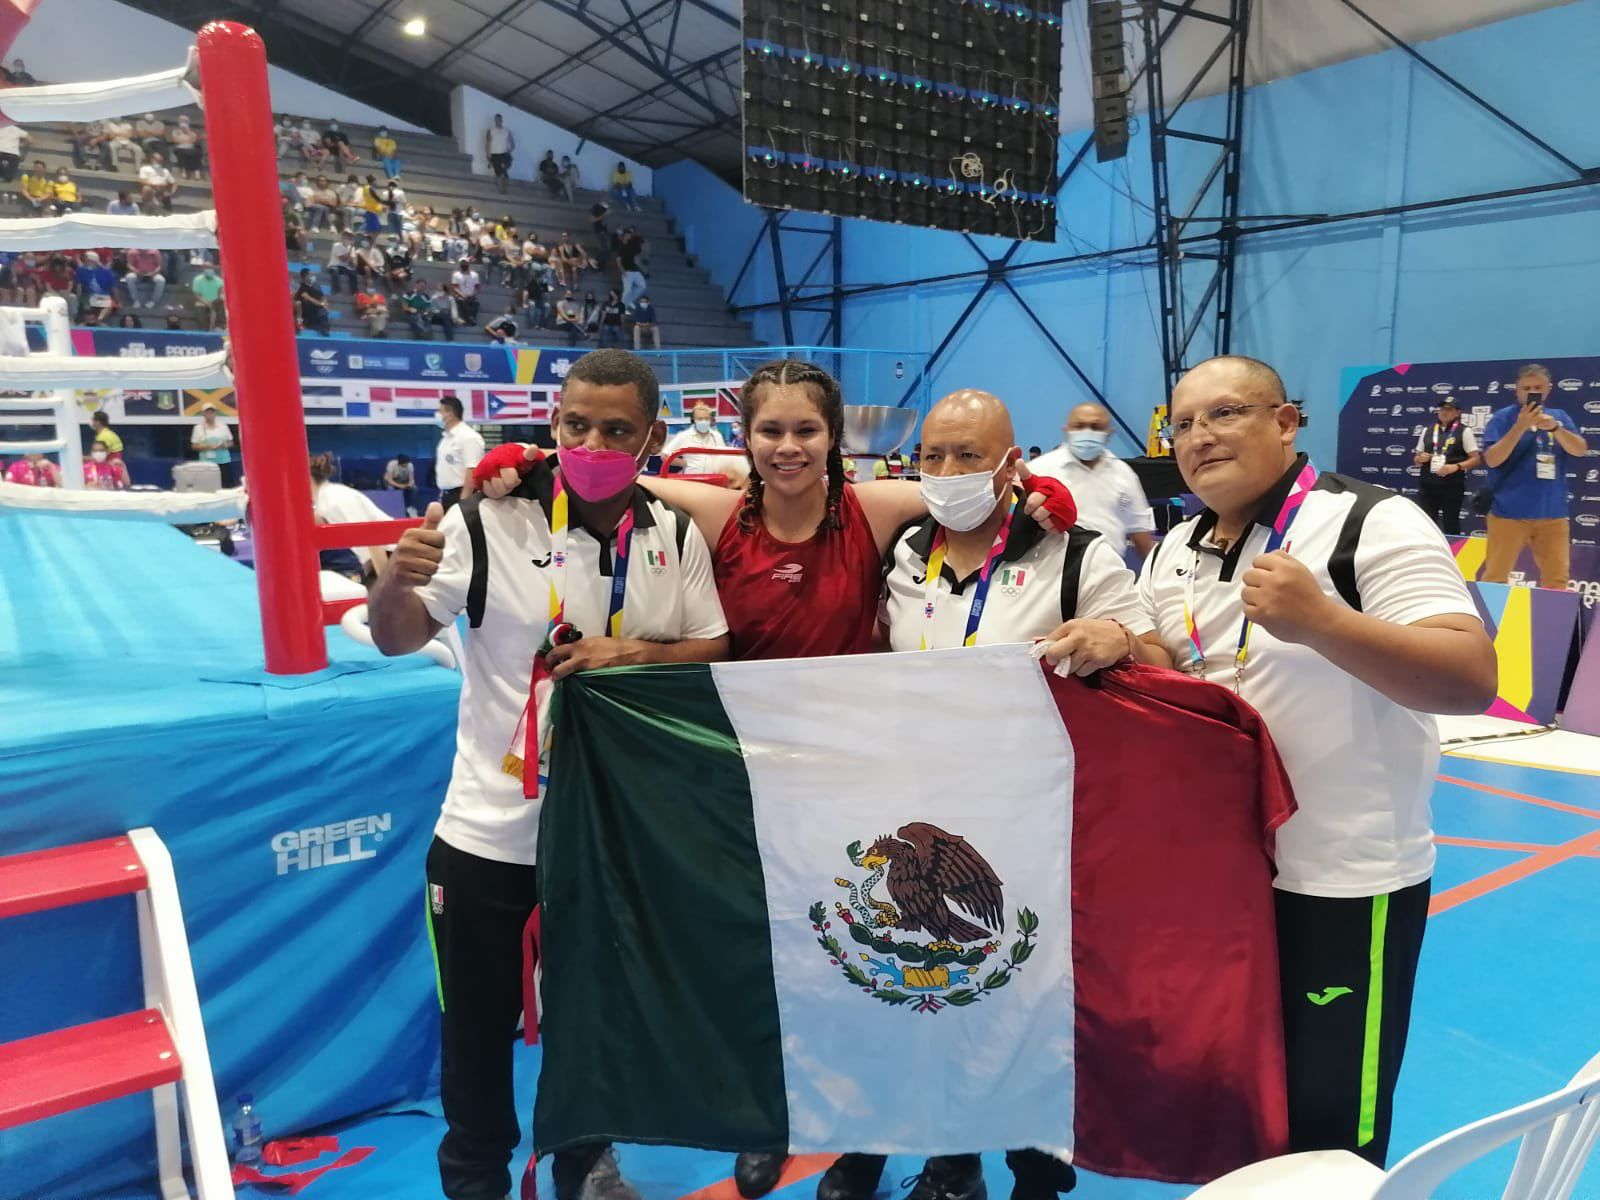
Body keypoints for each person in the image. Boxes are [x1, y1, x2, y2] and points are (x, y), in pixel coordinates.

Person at [1051, 354, 1495, 1168]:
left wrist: (1322, 621)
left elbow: (1470, 679)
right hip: (1220, 883)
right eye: (1184, 424)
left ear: (1286, 422)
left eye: (1224, 413)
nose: (1199, 437)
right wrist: (1122, 641)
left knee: (1332, 1126)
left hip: (1340, 881)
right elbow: (1179, 655)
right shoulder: (1176, 544)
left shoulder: (1371, 521)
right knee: (1242, 1106)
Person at [369, 349, 729, 1200]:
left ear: (651, 439)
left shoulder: (672, 532)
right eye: (578, 424)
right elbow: (395, 636)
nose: (594, 443)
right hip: (487, 833)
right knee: (475, 1029)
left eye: (617, 429)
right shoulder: (485, 519)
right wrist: (391, 583)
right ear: (554, 423)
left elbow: (713, 643)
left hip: (608, 835)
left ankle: (586, 1163)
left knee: (594, 1019)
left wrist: (632, 654)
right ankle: (475, 1178)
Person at [1479, 363, 1589, 591]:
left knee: (1557, 581)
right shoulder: (1503, 418)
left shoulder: (1559, 417)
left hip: (1553, 513)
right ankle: (1489, 616)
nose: (1531, 392)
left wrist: (1556, 429)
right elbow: (1492, 459)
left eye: (1537, 387)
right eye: (1526, 388)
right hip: (1508, 513)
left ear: (1548, 389)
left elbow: (1579, 450)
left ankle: (1552, 616)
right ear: (1517, 390)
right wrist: (1520, 427)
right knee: (1495, 577)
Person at [1029, 402, 1156, 561]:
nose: (1087, 432)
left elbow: (1140, 530)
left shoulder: (1125, 474)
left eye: (1096, 427)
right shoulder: (1039, 470)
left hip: (1110, 570)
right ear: (1067, 430)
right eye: (1079, 426)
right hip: (1053, 570)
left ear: (1109, 433)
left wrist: (1155, 572)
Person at [311, 453, 391, 581]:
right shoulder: (319, 501)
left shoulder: (333, 498)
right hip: (371, 566)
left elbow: (371, 541)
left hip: (391, 560)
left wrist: (385, 585)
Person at [1412, 396, 1481, 538]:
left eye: (1449, 409)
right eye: (1442, 409)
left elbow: (1475, 459)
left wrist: (1456, 467)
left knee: (1451, 524)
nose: (1444, 412)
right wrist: (1420, 458)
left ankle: (1453, 550)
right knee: (1426, 523)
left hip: (1452, 486)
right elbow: (1416, 459)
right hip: (1428, 485)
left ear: (1457, 413)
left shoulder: (1464, 431)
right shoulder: (1427, 430)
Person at [435, 395, 485, 511]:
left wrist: (464, 502)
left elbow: (472, 471)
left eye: (440, 411)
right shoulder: (445, 439)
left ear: (449, 414)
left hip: (461, 494)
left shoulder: (469, 437)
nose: (437, 415)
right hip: (446, 495)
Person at [661, 403, 727, 476]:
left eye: (706, 418)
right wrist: (685, 464)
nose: (703, 421)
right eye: (700, 419)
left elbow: (725, 457)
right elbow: (664, 456)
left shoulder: (717, 436)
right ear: (693, 420)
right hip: (691, 479)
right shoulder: (684, 436)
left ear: (711, 419)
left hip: (715, 478)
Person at [191, 405, 237, 487]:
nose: (210, 414)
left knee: (226, 485)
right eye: (207, 412)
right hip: (206, 463)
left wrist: (223, 445)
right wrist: (207, 447)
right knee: (208, 486)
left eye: (212, 412)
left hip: (223, 461)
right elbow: (194, 446)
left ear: (215, 413)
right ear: (203, 413)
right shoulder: (198, 428)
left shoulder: (223, 427)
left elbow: (231, 443)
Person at [75, 251, 118, 324]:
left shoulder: (106, 272)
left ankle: (98, 320)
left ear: (93, 261)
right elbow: (79, 285)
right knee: (86, 304)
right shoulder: (81, 270)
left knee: (109, 305)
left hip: (104, 296)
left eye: (87, 260)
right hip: (89, 295)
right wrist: (78, 297)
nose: (85, 262)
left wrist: (117, 299)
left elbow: (113, 287)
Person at [484, 114, 515, 193]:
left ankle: (504, 177)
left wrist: (510, 149)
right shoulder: (491, 130)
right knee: (498, 173)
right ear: (495, 120)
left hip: (504, 153)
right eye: (496, 119)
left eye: (499, 119)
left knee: (505, 168)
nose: (498, 121)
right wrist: (487, 153)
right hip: (495, 154)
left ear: (502, 120)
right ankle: (501, 189)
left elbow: (512, 143)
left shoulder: (507, 131)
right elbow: (488, 142)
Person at [295, 268, 330, 336]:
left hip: (317, 307)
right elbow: (309, 299)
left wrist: (326, 305)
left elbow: (322, 297)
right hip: (308, 309)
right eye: (310, 274)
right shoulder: (302, 287)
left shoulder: (316, 286)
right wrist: (321, 304)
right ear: (305, 276)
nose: (312, 275)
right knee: (320, 310)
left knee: (323, 311)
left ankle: (325, 329)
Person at [169, 114, 203, 179]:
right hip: (180, 148)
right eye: (182, 121)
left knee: (197, 153)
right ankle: (184, 171)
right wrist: (184, 138)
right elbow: (176, 140)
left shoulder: (192, 133)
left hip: (190, 148)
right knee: (182, 153)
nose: (183, 122)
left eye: (185, 121)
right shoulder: (175, 131)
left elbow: (193, 141)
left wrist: (188, 132)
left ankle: (197, 172)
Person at [448, 259, 481, 326]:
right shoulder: (456, 275)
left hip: (471, 295)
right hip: (460, 296)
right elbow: (455, 288)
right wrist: (462, 295)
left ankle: (470, 319)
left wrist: (473, 295)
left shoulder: (475, 275)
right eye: (462, 264)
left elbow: (477, 287)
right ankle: (470, 319)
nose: (464, 265)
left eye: (465, 264)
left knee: (476, 303)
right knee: (461, 301)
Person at [191, 264, 224, 330]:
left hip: (216, 302)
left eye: (211, 268)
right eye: (207, 268)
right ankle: (203, 329)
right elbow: (197, 295)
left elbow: (221, 294)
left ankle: (219, 327)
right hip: (202, 301)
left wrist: (215, 302)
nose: (209, 270)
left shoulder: (219, 281)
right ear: (204, 269)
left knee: (222, 307)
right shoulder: (197, 279)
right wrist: (208, 303)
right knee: (199, 308)